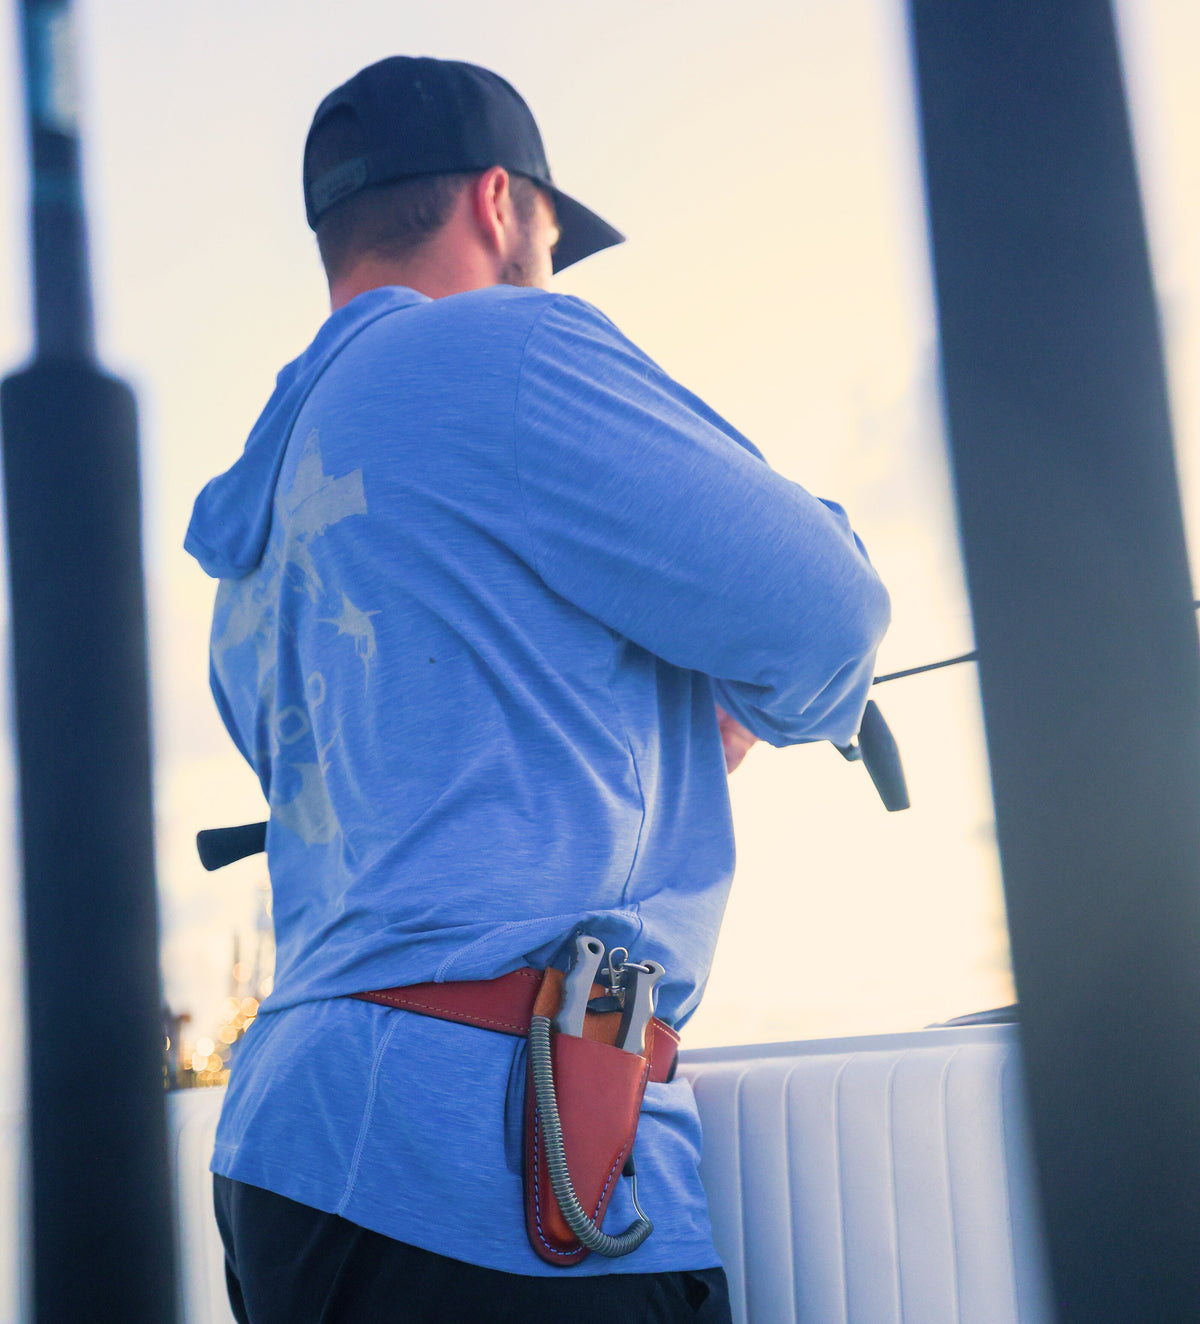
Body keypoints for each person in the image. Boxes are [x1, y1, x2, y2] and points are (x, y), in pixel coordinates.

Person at [185, 55, 890, 1324]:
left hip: (284, 1161)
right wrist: (763, 703)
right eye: (556, 241)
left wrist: (653, 729)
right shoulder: (502, 347)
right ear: (501, 203)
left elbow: (423, 749)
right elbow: (827, 609)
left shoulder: (256, 513)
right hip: (494, 1180)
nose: (551, 270)